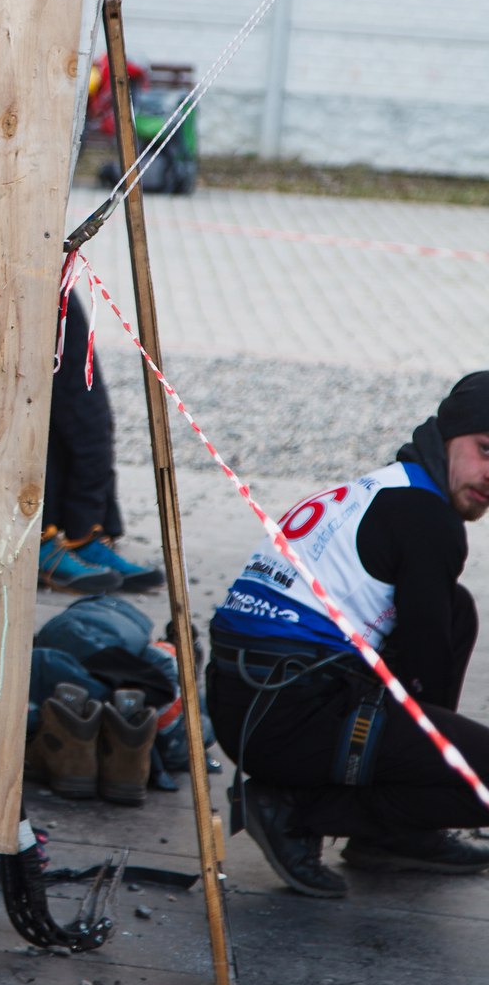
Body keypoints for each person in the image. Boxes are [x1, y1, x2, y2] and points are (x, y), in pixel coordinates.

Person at [207, 373, 489, 897]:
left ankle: (395, 833)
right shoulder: (428, 521)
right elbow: (424, 672)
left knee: (455, 610)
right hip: (288, 716)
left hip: (249, 703)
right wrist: (434, 762)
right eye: (486, 449)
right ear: (449, 435)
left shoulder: (389, 487)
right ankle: (295, 813)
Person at [39, 288, 164, 595]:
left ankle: (83, 533)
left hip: (41, 262)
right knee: (27, 410)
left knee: (85, 410)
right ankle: (40, 538)